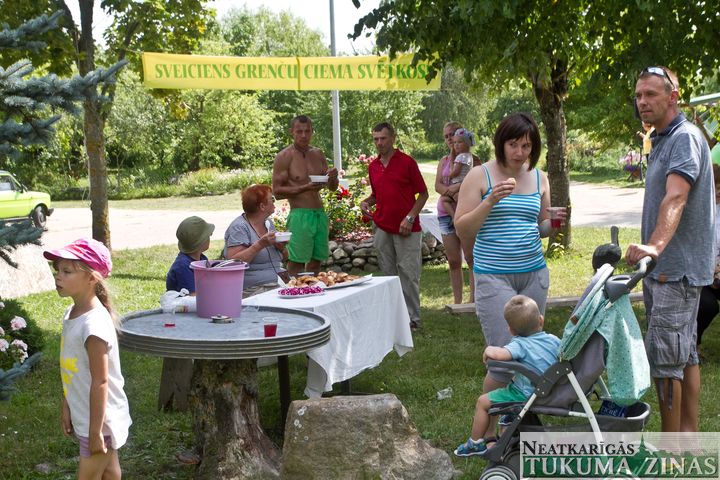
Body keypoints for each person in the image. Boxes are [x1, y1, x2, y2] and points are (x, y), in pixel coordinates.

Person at [454, 112, 565, 439]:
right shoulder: (480, 175)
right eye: (513, 145)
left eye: (526, 146)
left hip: (534, 275)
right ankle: (486, 432)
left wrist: (555, 223)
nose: (519, 152)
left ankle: (511, 427)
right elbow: (462, 228)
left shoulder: (539, 177)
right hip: (494, 277)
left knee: (530, 352)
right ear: (501, 143)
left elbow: (540, 227)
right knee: (503, 359)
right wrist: (490, 201)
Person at [625, 66, 714, 433]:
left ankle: (672, 448)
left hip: (674, 270)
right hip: (672, 267)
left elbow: (677, 196)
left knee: (665, 363)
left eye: (651, 94)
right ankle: (687, 439)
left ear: (673, 97)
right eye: (638, 95)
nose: (642, 102)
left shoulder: (683, 138)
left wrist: (654, 246)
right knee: (685, 355)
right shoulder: (662, 137)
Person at [43, 238, 131, 480]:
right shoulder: (71, 313)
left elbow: (101, 382)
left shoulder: (94, 326)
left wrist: (95, 433)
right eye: (57, 270)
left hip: (101, 422)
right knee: (110, 473)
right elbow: (75, 371)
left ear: (92, 278)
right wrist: (68, 404)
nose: (58, 276)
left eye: (67, 271)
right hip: (86, 413)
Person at [454, 295, 560, 456]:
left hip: (526, 394)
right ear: (541, 320)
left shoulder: (519, 344)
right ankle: (510, 418)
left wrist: (489, 349)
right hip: (550, 391)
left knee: (482, 402)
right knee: (514, 381)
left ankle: (475, 443)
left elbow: (500, 355)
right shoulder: (553, 340)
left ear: (510, 330)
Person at [361, 122, 429, 330]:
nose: (379, 143)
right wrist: (366, 202)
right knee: (388, 275)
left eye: (383, 138)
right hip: (382, 227)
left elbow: (423, 194)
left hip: (406, 228)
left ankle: (413, 320)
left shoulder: (407, 162)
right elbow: (377, 194)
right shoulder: (373, 166)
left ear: (393, 138)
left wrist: (410, 218)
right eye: (376, 139)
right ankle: (395, 318)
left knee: (409, 274)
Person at [272, 115, 338, 276]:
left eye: (307, 131)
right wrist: (305, 187)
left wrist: (333, 178)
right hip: (299, 215)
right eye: (299, 131)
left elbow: (332, 188)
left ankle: (312, 288)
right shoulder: (284, 156)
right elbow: (277, 192)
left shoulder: (318, 154)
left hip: (320, 214)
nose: (303, 135)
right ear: (292, 132)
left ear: (312, 132)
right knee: (296, 262)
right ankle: (294, 290)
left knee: (316, 261)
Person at [435, 122, 479, 304]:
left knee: (471, 258)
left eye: (452, 134)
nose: (449, 139)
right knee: (453, 260)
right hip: (446, 214)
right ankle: (457, 302)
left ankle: (473, 300)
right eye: (446, 136)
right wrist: (450, 193)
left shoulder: (473, 159)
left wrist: (458, 189)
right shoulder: (444, 161)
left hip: (467, 211)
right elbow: (437, 185)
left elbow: (478, 182)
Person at [224, 184, 290, 297]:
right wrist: (260, 244)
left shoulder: (268, 223)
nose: (274, 202)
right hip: (255, 289)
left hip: (279, 282)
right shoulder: (239, 227)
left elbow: (284, 258)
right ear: (262, 206)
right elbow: (233, 264)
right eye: (272, 199)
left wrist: (282, 248)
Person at [696, 163, 720, 358]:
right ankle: (694, 343)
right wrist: (710, 270)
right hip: (700, 275)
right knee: (708, 305)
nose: (718, 192)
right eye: (715, 187)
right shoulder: (698, 212)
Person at [166, 216, 215, 294]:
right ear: (201, 242)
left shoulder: (202, 259)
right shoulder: (183, 266)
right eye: (208, 235)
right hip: (186, 301)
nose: (210, 237)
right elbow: (192, 296)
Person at [439, 128, 475, 218]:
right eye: (455, 143)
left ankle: (455, 216)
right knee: (448, 199)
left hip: (458, 183)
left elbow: (455, 172)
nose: (456, 145)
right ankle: (457, 216)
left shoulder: (461, 157)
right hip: (463, 183)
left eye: (459, 142)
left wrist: (450, 174)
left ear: (467, 143)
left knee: (445, 199)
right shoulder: (469, 156)